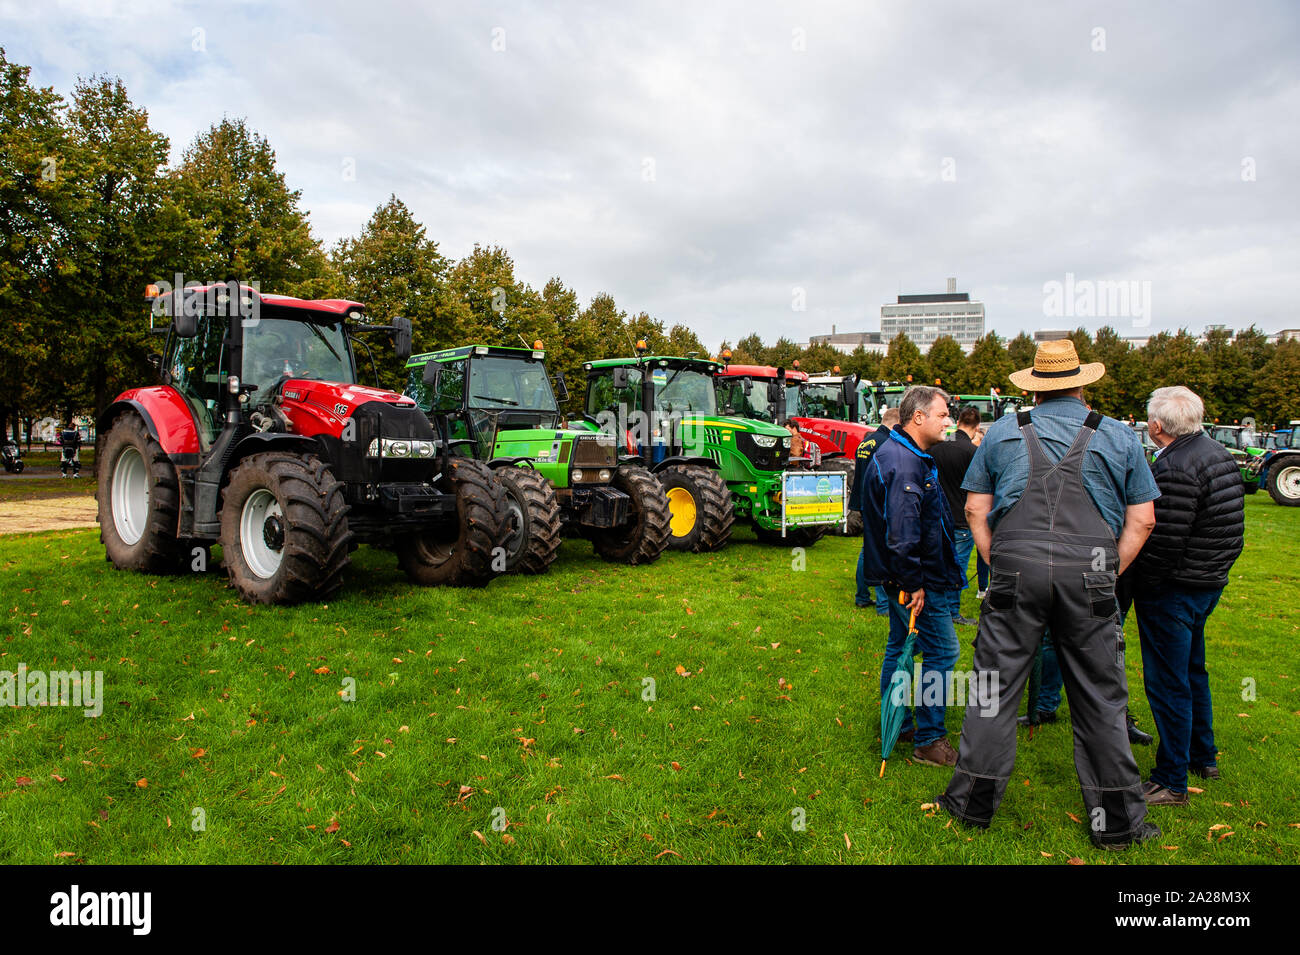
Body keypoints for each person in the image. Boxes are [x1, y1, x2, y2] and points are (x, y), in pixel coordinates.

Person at [937, 339, 1162, 849]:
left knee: (993, 692)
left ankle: (971, 807)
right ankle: (1120, 824)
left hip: (1016, 571)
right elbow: (1143, 518)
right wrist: (1109, 568)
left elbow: (975, 510)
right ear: (1082, 384)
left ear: (1034, 388)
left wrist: (1001, 562)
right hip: (1092, 575)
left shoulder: (1001, 433)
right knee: (1102, 699)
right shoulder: (1120, 436)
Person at [1131, 386, 1244, 806]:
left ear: (1157, 425)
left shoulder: (1176, 465)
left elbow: (1163, 541)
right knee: (1193, 672)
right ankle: (1203, 755)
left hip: (1177, 589)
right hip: (1205, 582)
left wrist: (1146, 583)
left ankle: (1171, 778)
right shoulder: (1217, 453)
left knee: (1169, 682)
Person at [860, 386, 964, 767]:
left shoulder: (905, 453)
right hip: (915, 580)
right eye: (942, 414)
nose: (948, 421)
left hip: (903, 576)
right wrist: (913, 583)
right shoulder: (904, 462)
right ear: (918, 417)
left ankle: (900, 721)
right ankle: (930, 740)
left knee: (899, 645)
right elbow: (903, 535)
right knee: (943, 651)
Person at [930, 405, 981, 627]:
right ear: (976, 427)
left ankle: (937, 606)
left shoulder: (938, 447)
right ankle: (952, 610)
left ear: (958, 422)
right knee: (957, 566)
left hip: (938, 515)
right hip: (961, 518)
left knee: (938, 562)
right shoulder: (971, 452)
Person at [852, 408, 899, 614]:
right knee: (880, 551)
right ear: (895, 423)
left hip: (862, 499)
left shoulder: (867, 441)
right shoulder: (886, 443)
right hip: (877, 502)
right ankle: (882, 604)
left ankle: (862, 595)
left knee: (867, 549)